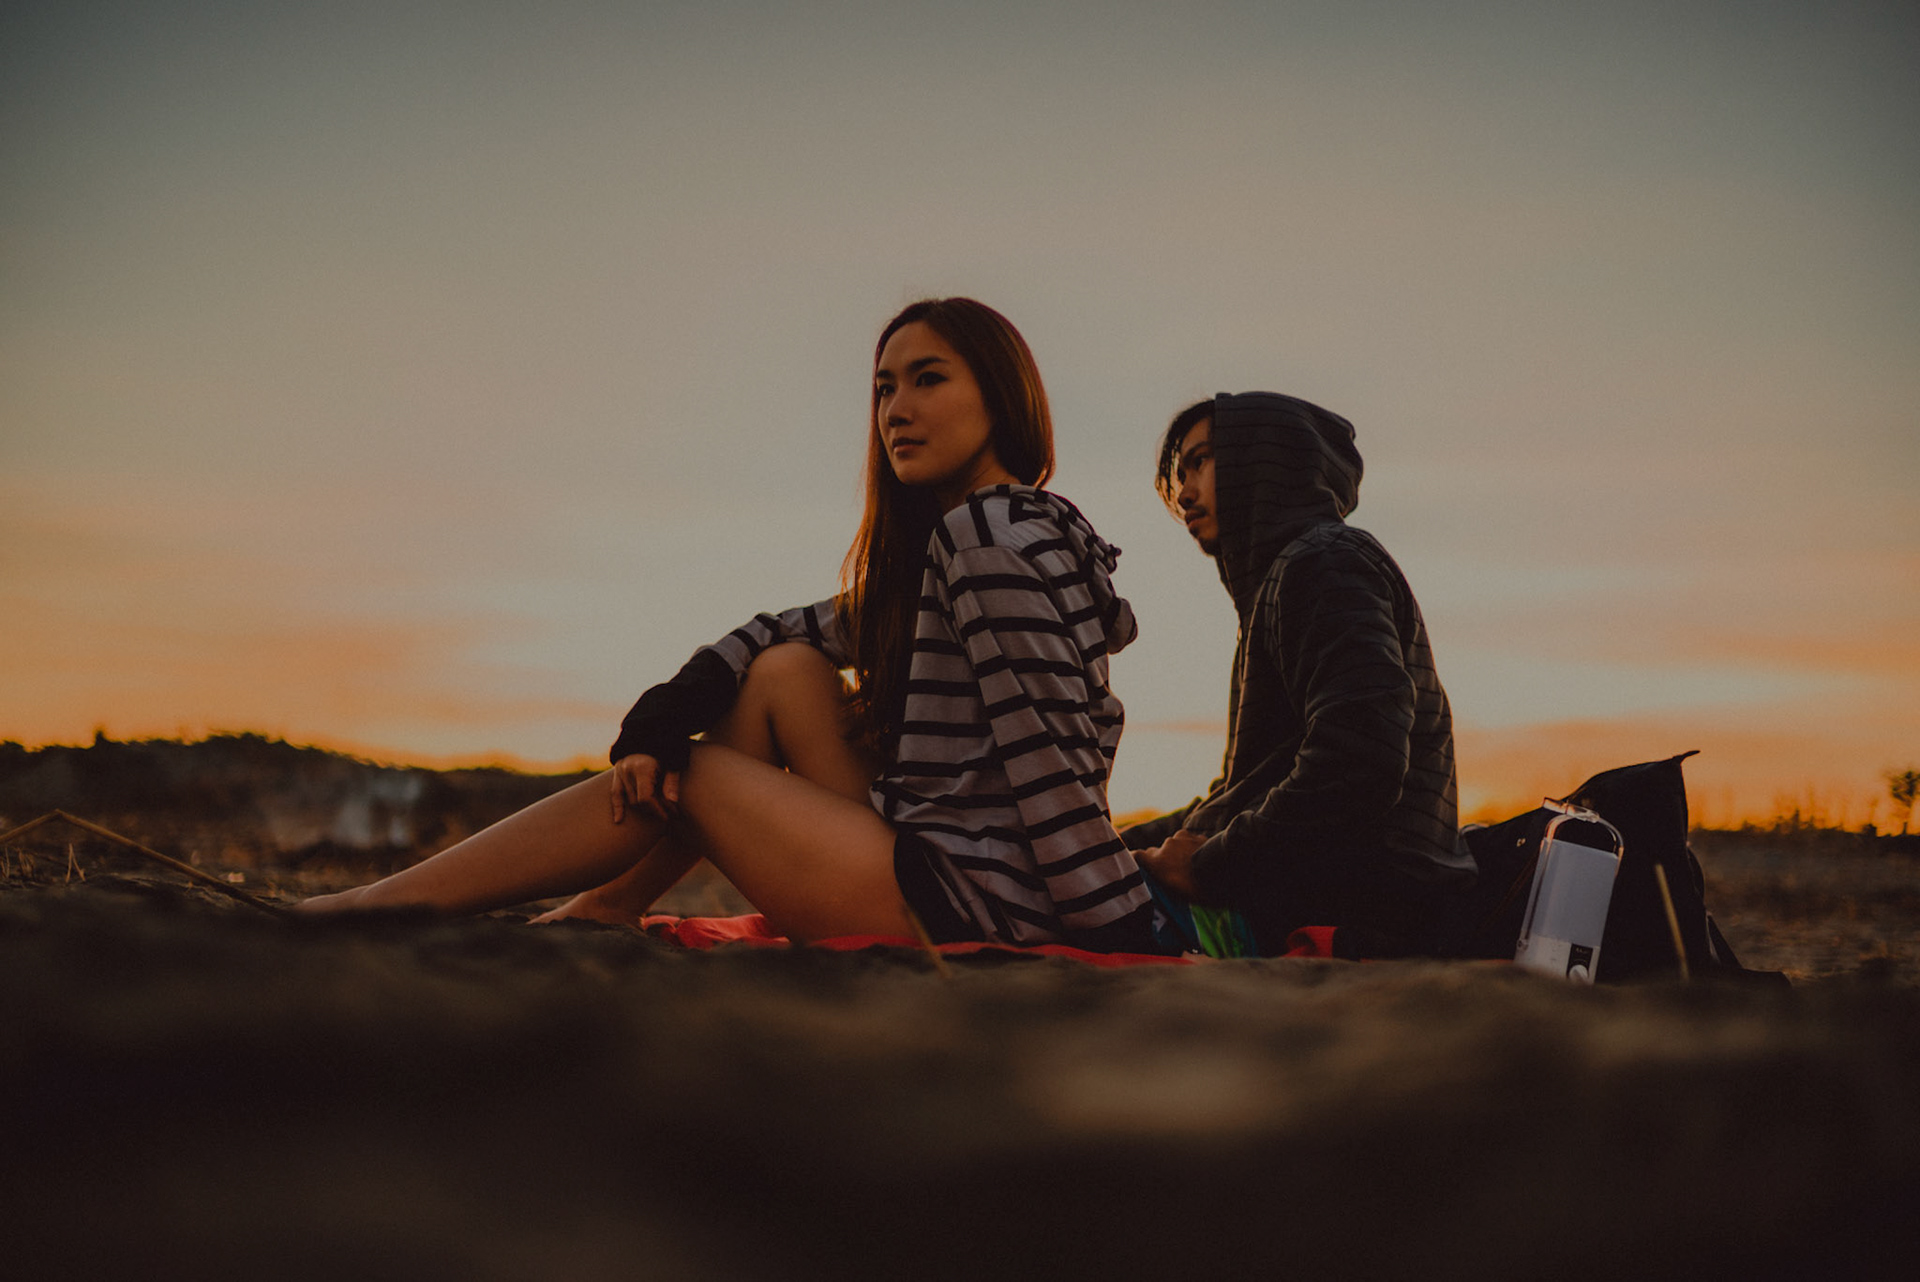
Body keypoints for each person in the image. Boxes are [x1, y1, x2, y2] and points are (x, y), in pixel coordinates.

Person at [299, 298, 1162, 953]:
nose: (894, 409)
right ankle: (608, 903)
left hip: (974, 899)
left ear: (1000, 395)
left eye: (928, 379)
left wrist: (1121, 928)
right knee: (785, 672)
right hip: (944, 857)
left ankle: (387, 905)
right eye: (882, 388)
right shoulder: (968, 538)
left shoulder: (989, 539)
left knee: (698, 776)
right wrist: (660, 716)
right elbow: (783, 630)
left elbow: (1049, 759)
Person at [1123, 393, 1475, 957]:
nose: (1185, 492)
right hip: (1309, 892)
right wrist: (1112, 847)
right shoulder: (1281, 583)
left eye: (1204, 461)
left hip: (1359, 911)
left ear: (1267, 463)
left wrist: (1210, 865)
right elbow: (1237, 791)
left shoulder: (1325, 562)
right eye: (1180, 471)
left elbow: (1359, 759)